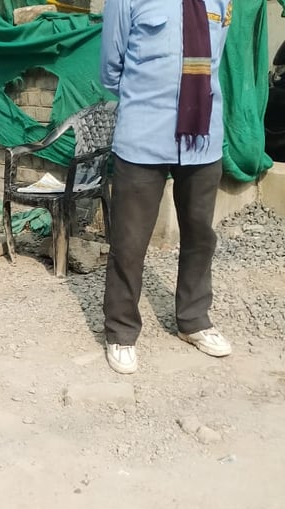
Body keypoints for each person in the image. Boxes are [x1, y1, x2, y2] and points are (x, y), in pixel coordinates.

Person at [100, 0, 234, 374]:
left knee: (200, 236)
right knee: (129, 242)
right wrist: (146, 100)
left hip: (203, 139)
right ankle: (121, 331)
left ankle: (194, 320)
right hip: (144, 136)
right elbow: (111, 70)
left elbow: (215, 58)